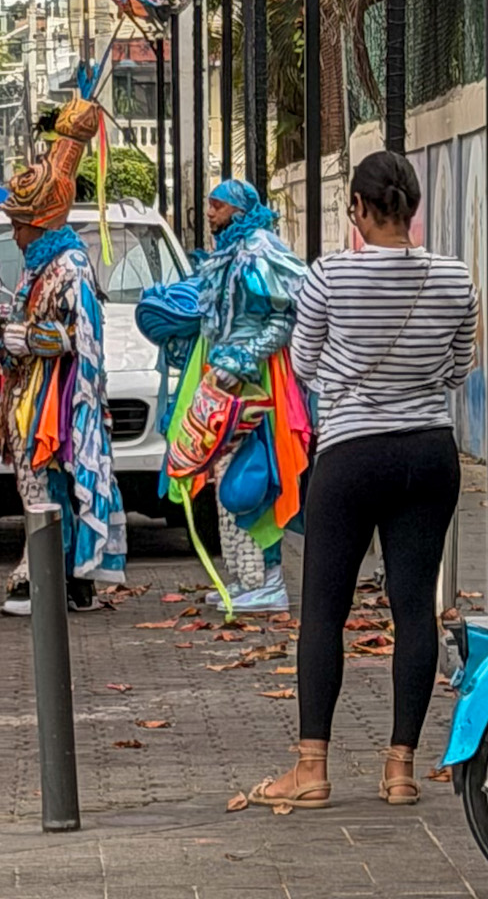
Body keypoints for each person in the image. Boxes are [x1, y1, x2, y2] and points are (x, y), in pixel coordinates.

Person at [247, 151, 478, 811]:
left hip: (351, 456)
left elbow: (311, 366)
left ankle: (311, 769)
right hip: (430, 454)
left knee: (325, 608)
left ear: (357, 208)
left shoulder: (328, 278)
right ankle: (400, 770)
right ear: (414, 208)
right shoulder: (455, 278)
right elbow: (458, 367)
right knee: (414, 609)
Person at [137, 178, 311, 614]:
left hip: (253, 386)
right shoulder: (231, 252)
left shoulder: (259, 250)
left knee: (251, 482)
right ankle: (244, 577)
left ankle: (268, 579)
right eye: (210, 204)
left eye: (217, 205)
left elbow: (285, 316)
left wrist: (243, 357)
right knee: (223, 479)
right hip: (223, 383)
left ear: (237, 209)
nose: (210, 212)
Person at [0, 97, 126, 614]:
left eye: (21, 224)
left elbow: (82, 336)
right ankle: (58, 576)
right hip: (33, 394)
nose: (14, 233)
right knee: (37, 483)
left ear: (43, 223)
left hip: (61, 399)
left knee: (50, 483)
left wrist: (31, 338)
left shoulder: (69, 265)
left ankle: (54, 578)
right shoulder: (40, 263)